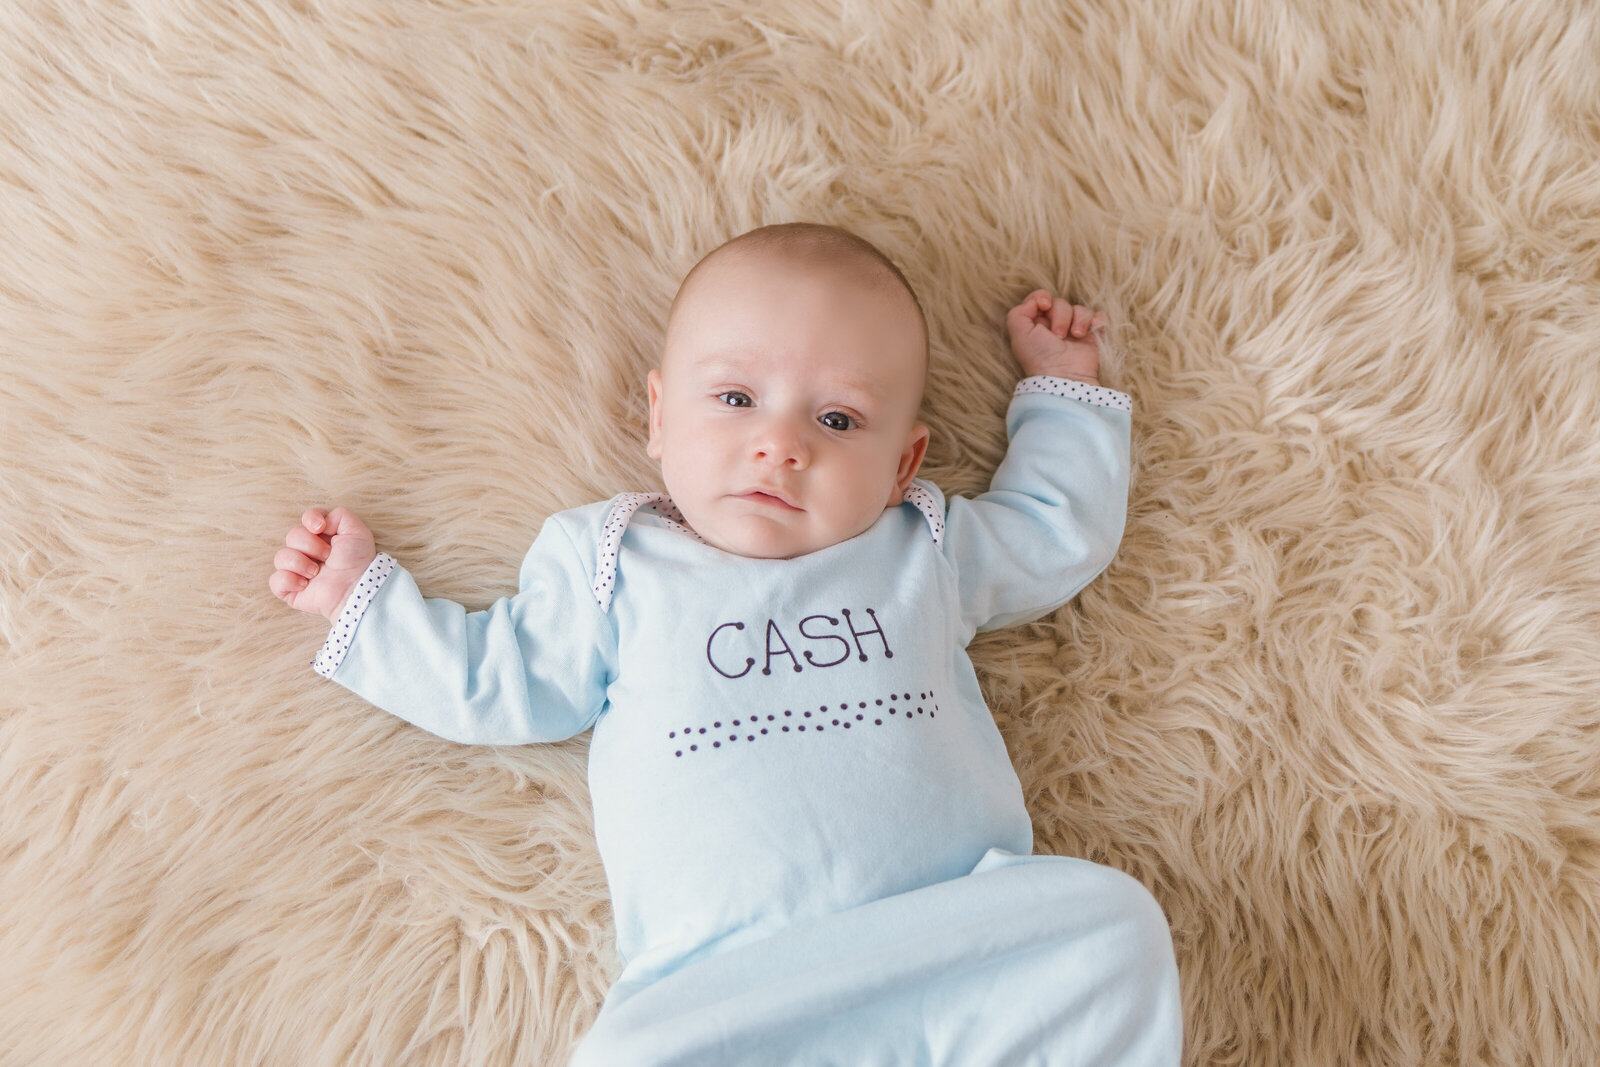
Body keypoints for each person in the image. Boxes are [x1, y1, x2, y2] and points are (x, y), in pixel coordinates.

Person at [270, 223, 1181, 1064]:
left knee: (1112, 923)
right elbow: (500, 680)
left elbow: (1054, 530)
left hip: (946, 946)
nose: (779, 445)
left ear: (904, 463)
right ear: (661, 418)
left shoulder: (922, 547)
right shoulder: (616, 562)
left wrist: (1066, 395)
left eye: (837, 421)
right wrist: (367, 603)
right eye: (737, 398)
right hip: (728, 989)